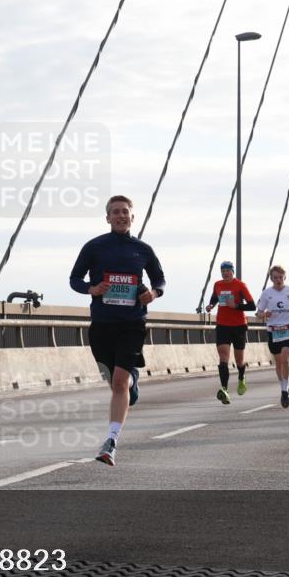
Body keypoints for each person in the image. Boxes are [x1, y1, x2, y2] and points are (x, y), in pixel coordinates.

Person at [70, 195, 166, 467]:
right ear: (108, 218)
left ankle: (111, 441)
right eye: (116, 212)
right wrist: (91, 288)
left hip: (132, 323)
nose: (121, 216)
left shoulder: (143, 249)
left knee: (119, 383)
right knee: (116, 382)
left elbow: (159, 279)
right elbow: (74, 278)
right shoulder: (95, 246)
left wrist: (154, 294)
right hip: (101, 324)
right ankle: (132, 384)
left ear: (132, 217)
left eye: (125, 212)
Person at [205, 261, 256, 404]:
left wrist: (237, 306)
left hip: (239, 325)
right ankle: (224, 390)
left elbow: (252, 306)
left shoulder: (240, 285)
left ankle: (241, 377)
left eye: (228, 270)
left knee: (239, 360)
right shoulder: (218, 284)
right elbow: (215, 297)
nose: (225, 273)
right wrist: (211, 305)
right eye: (223, 271)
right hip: (222, 325)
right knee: (223, 358)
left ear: (233, 272)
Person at [256, 265, 289, 409]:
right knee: (278, 362)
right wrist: (264, 314)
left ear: (285, 277)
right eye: (275, 277)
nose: (278, 280)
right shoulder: (266, 293)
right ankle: (284, 386)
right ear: (271, 279)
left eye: (280, 277)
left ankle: (285, 391)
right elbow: (258, 313)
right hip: (274, 331)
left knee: (285, 358)